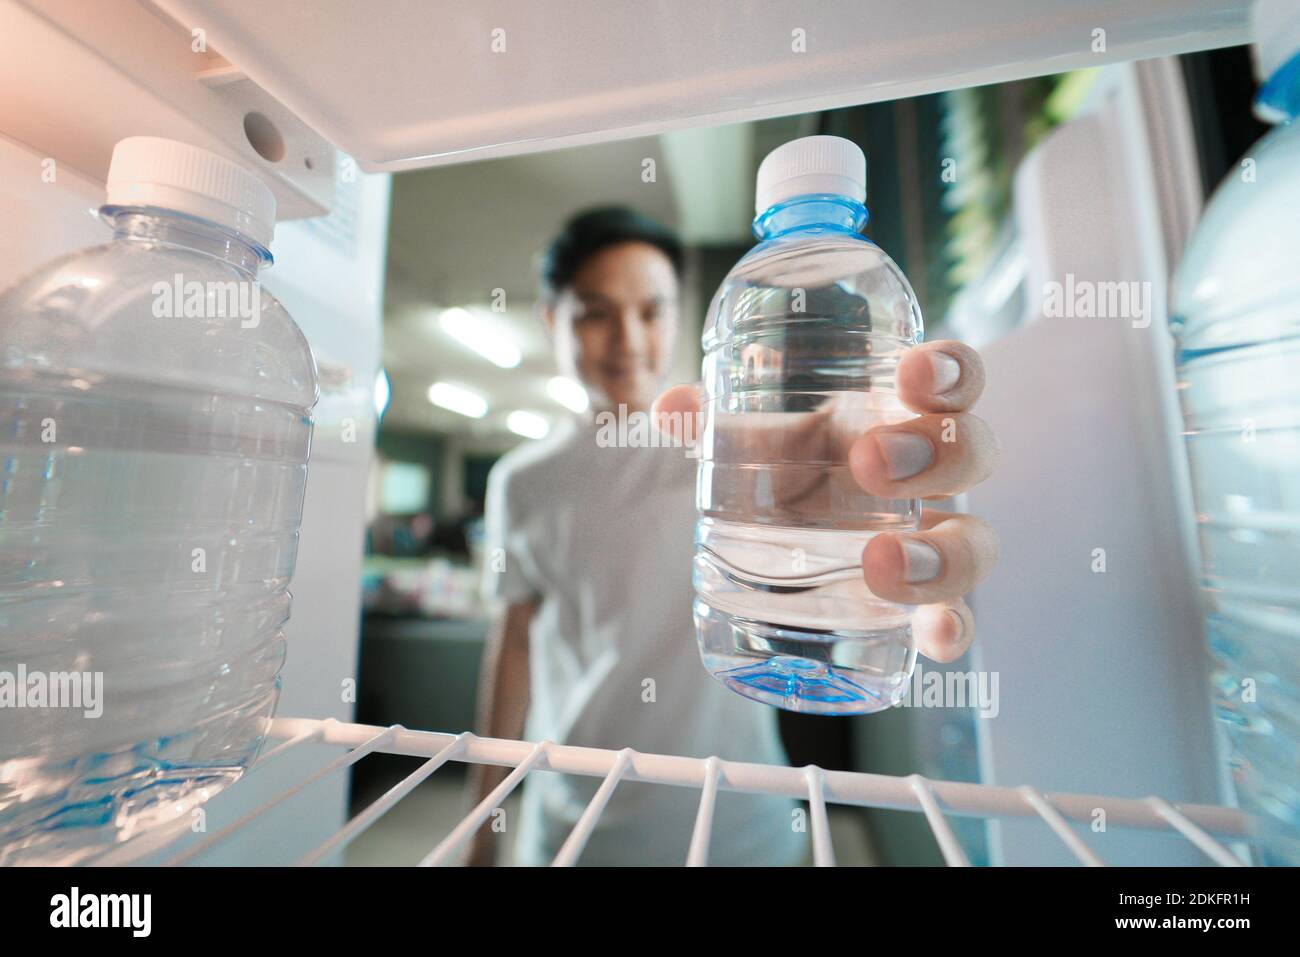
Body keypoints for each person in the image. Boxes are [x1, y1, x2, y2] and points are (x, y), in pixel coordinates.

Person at [467, 207, 999, 866]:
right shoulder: (521, 482)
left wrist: (896, 479)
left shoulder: (728, 445)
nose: (628, 338)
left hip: (737, 821)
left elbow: (824, 447)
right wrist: (481, 815)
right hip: (573, 826)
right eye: (596, 312)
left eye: (652, 310)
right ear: (553, 319)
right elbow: (513, 643)